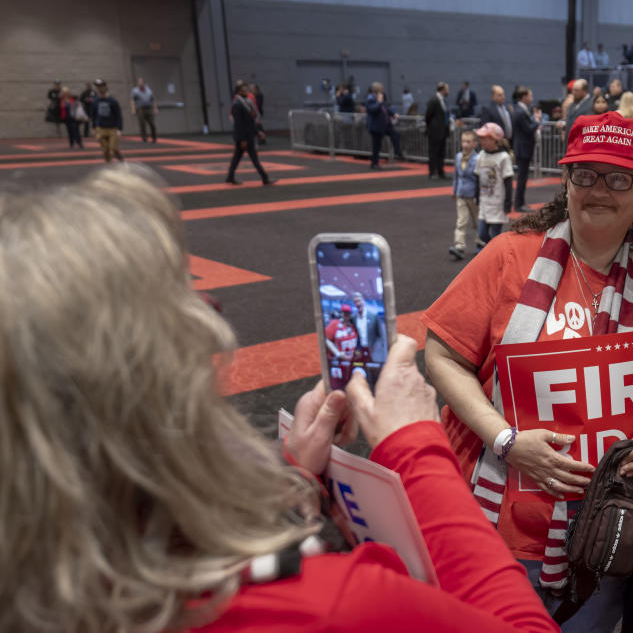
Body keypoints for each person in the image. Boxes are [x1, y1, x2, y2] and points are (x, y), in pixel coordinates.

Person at [0, 167, 561, 633]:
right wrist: (417, 447)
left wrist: (290, 477)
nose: (209, 319)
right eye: (185, 302)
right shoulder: (326, 604)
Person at [423, 112, 633, 632]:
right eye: (585, 175)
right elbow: (442, 355)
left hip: (603, 531)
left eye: (619, 178)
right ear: (566, 181)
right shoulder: (510, 257)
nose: (599, 190)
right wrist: (505, 439)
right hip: (498, 523)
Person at [225, 81, 275, 186]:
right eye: (244, 89)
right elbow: (239, 124)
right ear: (239, 91)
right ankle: (265, 178)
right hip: (245, 137)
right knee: (253, 159)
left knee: (237, 158)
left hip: (246, 135)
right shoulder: (237, 105)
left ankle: (230, 176)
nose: (247, 91)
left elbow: (249, 122)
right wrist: (242, 139)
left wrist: (257, 132)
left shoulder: (244, 103)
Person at [472, 122, 513, 244]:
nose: (481, 141)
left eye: (484, 138)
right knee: (482, 233)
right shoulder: (481, 156)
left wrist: (508, 203)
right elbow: (477, 177)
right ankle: (492, 251)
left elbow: (508, 181)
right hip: (485, 202)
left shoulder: (503, 157)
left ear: (494, 139)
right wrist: (476, 196)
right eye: (480, 138)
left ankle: (494, 255)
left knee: (495, 235)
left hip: (497, 203)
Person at [449, 129, 480, 260]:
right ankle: (459, 246)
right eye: (463, 141)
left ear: (475, 144)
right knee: (461, 221)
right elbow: (456, 176)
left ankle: (481, 244)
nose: (465, 144)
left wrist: (479, 196)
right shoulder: (458, 156)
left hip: (474, 196)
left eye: (468, 142)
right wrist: (455, 190)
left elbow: (480, 179)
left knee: (478, 222)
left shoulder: (478, 158)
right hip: (461, 194)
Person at [511, 86, 541, 213]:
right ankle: (518, 204)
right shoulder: (520, 112)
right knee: (522, 178)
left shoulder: (521, 110)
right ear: (524, 97)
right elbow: (529, 128)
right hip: (523, 149)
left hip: (523, 148)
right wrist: (537, 121)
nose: (531, 98)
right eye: (530, 95)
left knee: (522, 177)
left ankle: (520, 202)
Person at [364, 81, 404, 170]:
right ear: (377, 89)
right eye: (381, 89)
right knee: (377, 145)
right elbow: (372, 110)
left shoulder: (380, 97)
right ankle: (374, 163)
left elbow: (386, 108)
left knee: (395, 135)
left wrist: (393, 113)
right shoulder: (370, 99)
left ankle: (398, 153)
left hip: (385, 124)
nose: (383, 90)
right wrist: (379, 102)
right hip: (376, 126)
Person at [91, 79, 124, 162]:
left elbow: (118, 115)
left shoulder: (112, 101)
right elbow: (93, 115)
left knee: (114, 148)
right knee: (105, 150)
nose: (100, 89)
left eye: (101, 87)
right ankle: (109, 165)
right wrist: (94, 128)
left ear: (106, 88)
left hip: (112, 128)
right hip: (101, 128)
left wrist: (119, 129)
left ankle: (121, 160)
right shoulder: (95, 101)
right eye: (98, 87)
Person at [352, 291, 387, 364]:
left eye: (359, 301)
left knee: (373, 368)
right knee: (360, 365)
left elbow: (380, 335)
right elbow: (355, 334)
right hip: (360, 349)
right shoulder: (354, 318)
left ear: (363, 301)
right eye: (355, 302)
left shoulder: (373, 315)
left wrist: (375, 347)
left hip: (373, 350)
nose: (357, 303)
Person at [426, 81, 451, 179]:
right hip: (435, 132)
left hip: (443, 131)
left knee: (441, 152)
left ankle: (441, 172)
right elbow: (428, 116)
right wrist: (432, 127)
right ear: (443, 90)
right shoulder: (433, 100)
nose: (448, 91)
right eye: (447, 89)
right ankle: (432, 172)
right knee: (433, 152)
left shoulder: (443, 101)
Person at [130, 77, 158, 143]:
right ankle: (144, 137)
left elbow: (153, 99)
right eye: (139, 82)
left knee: (152, 123)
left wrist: (155, 108)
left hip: (149, 108)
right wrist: (133, 109)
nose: (140, 83)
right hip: (140, 108)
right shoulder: (135, 90)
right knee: (142, 123)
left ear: (143, 82)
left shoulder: (148, 90)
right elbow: (132, 100)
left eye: (141, 82)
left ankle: (154, 137)